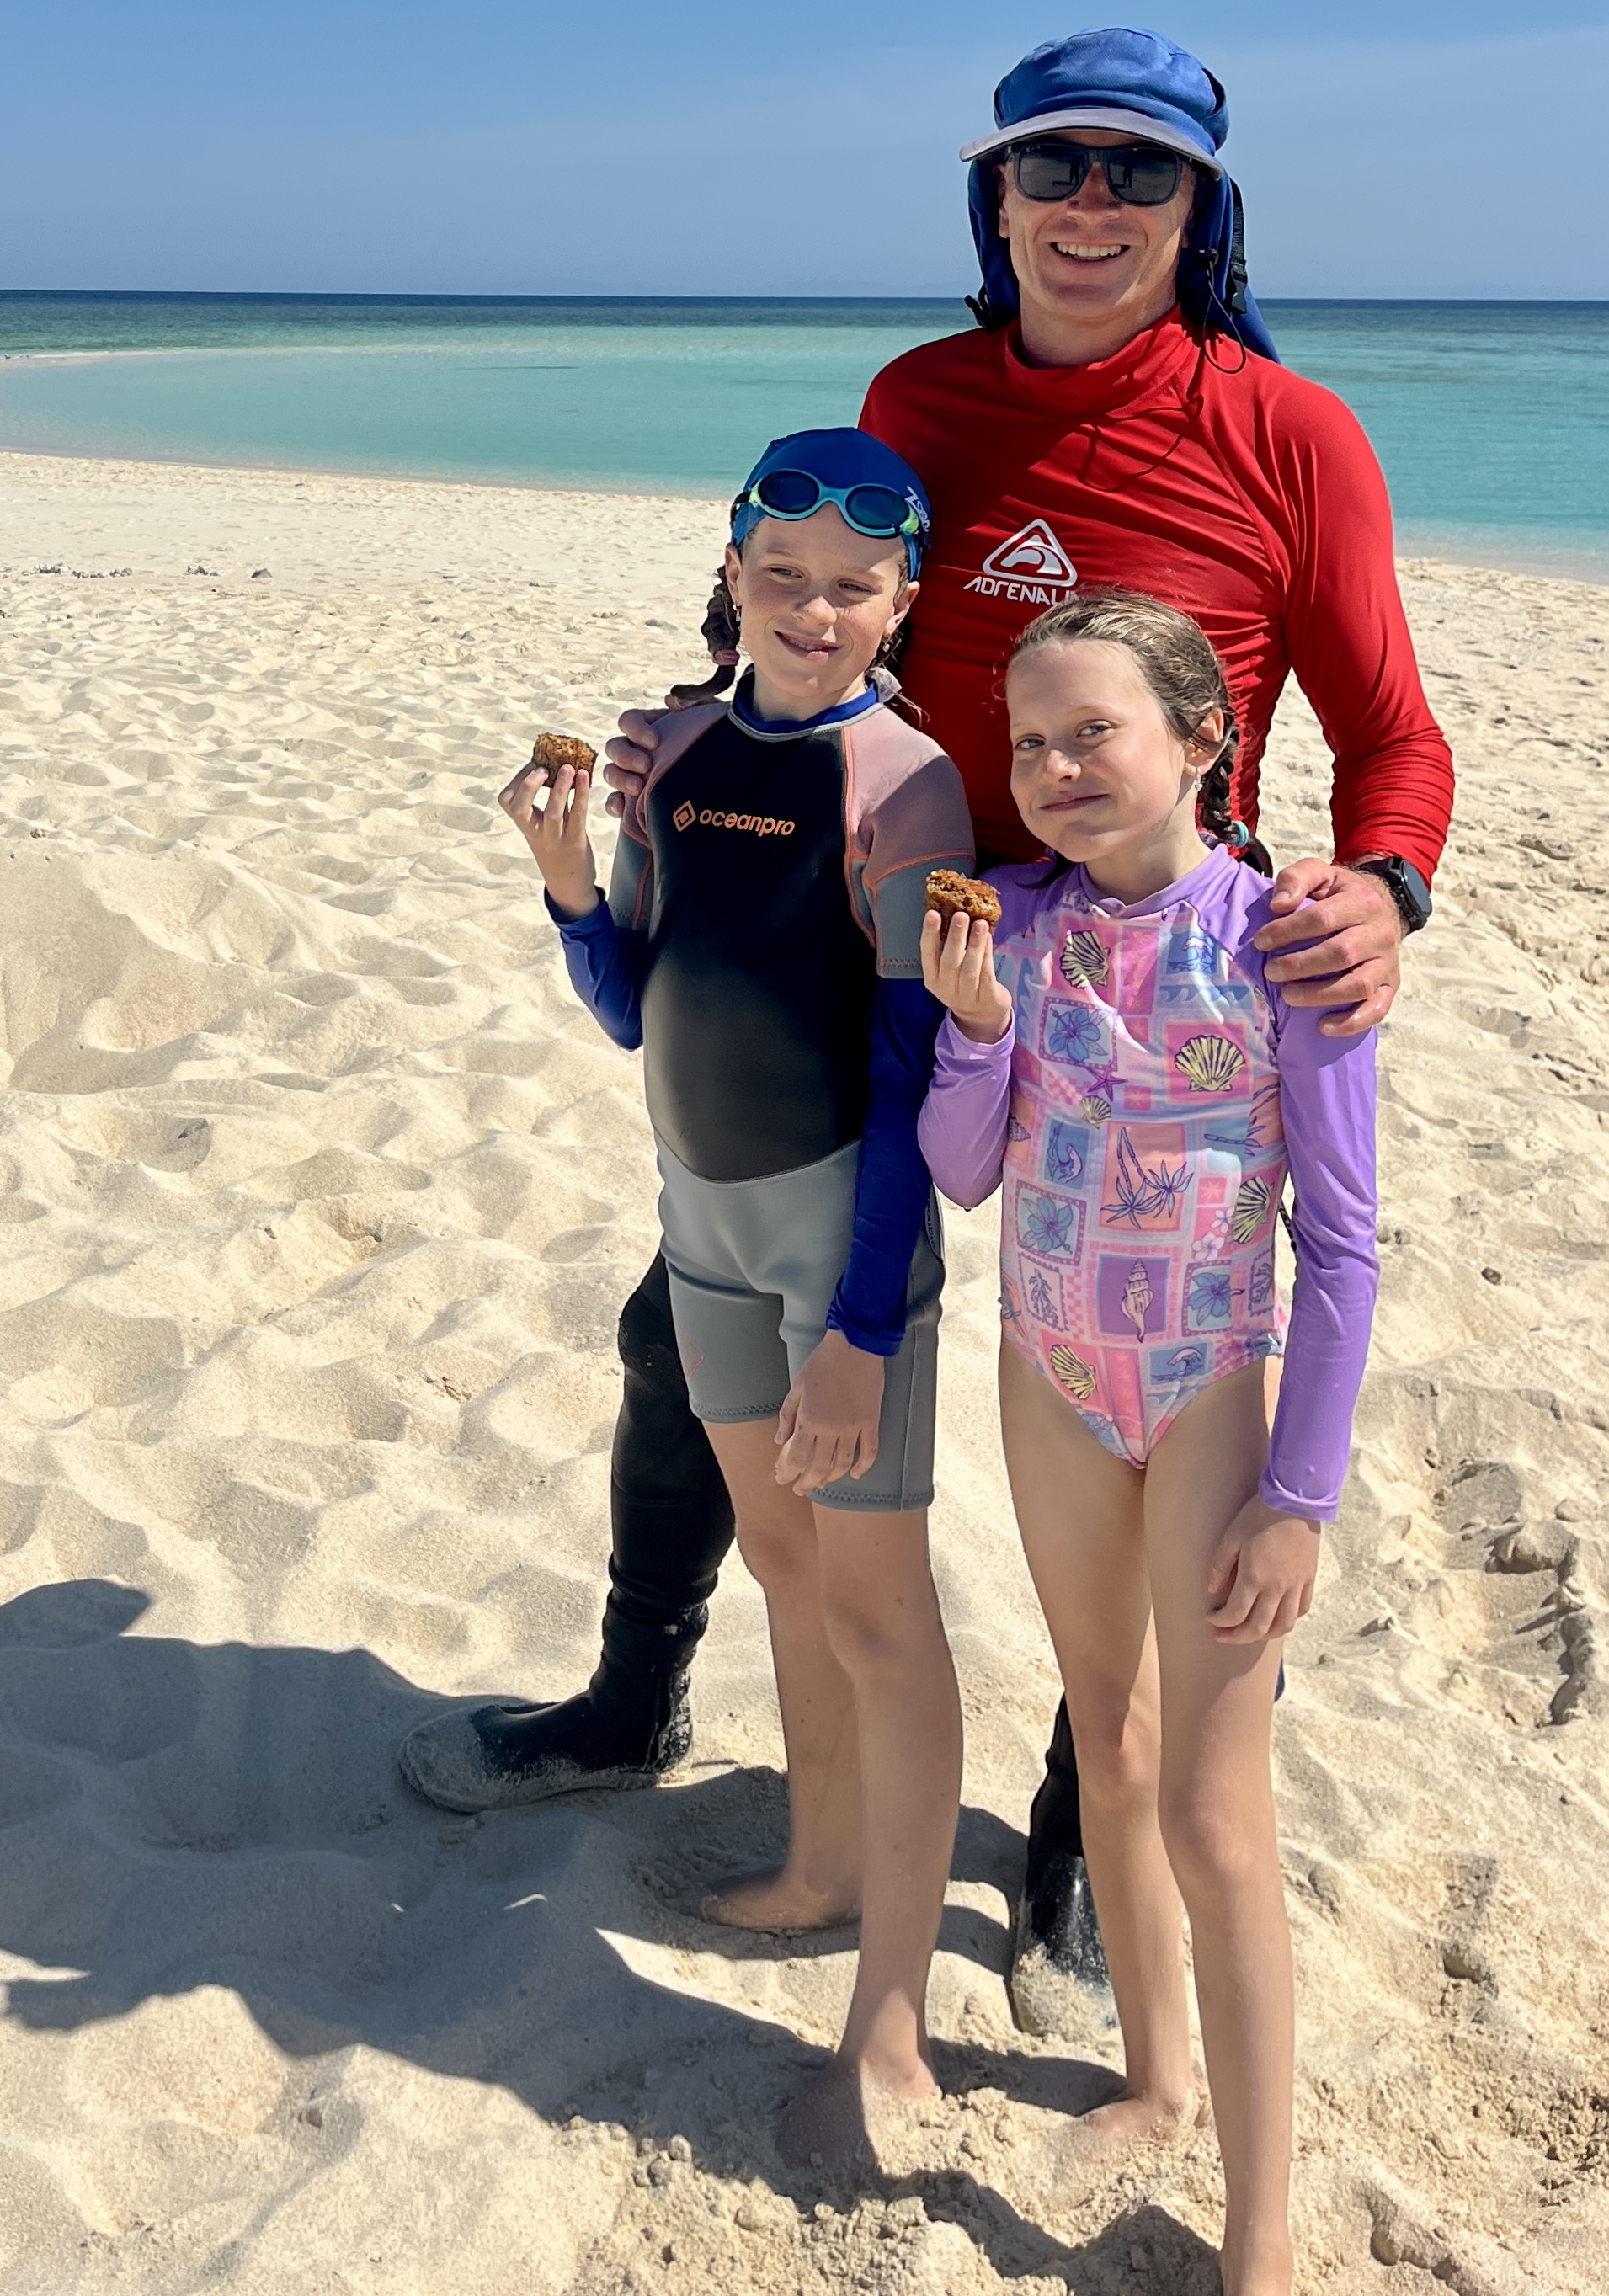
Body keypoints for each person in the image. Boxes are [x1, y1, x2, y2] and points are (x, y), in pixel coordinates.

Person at [397, 28, 1452, 2037]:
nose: (1086, 204)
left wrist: (1378, 891)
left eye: (1136, 175)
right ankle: (634, 1694)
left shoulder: (1288, 432)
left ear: (1199, 210)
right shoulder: (921, 395)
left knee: (1132, 1390)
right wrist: (709, 733)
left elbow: (1391, 730)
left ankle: (1076, 1818)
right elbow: (827, 600)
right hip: (892, 950)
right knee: (678, 1328)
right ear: (991, 197)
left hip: (1145, 999)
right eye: (1046, 166)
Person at [477, 428, 978, 2146]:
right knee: (775, 1553)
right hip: (698, 1215)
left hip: (841, 1230)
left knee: (876, 1600)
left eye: (853, 585)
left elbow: (914, 1070)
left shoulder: (906, 782)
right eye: (784, 580)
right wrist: (566, 888)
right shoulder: (673, 748)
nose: (815, 610)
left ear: (901, 596)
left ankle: (882, 1963)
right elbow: (633, 1004)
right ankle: (820, 1858)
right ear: (732, 576)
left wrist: (857, 1325)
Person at [918, 588, 1378, 2293]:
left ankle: (1259, 2235)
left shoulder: (1285, 943)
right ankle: (1154, 2072)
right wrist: (969, 1028)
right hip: (1047, 1371)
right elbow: (968, 1167)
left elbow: (1339, 1244)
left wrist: (1297, 1496)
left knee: (1213, 1807)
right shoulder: (1014, 929)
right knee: (1102, 1744)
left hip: (1201, 1389)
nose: (1047, 767)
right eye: (1025, 741)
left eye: (1088, 731)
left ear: (1202, 740)